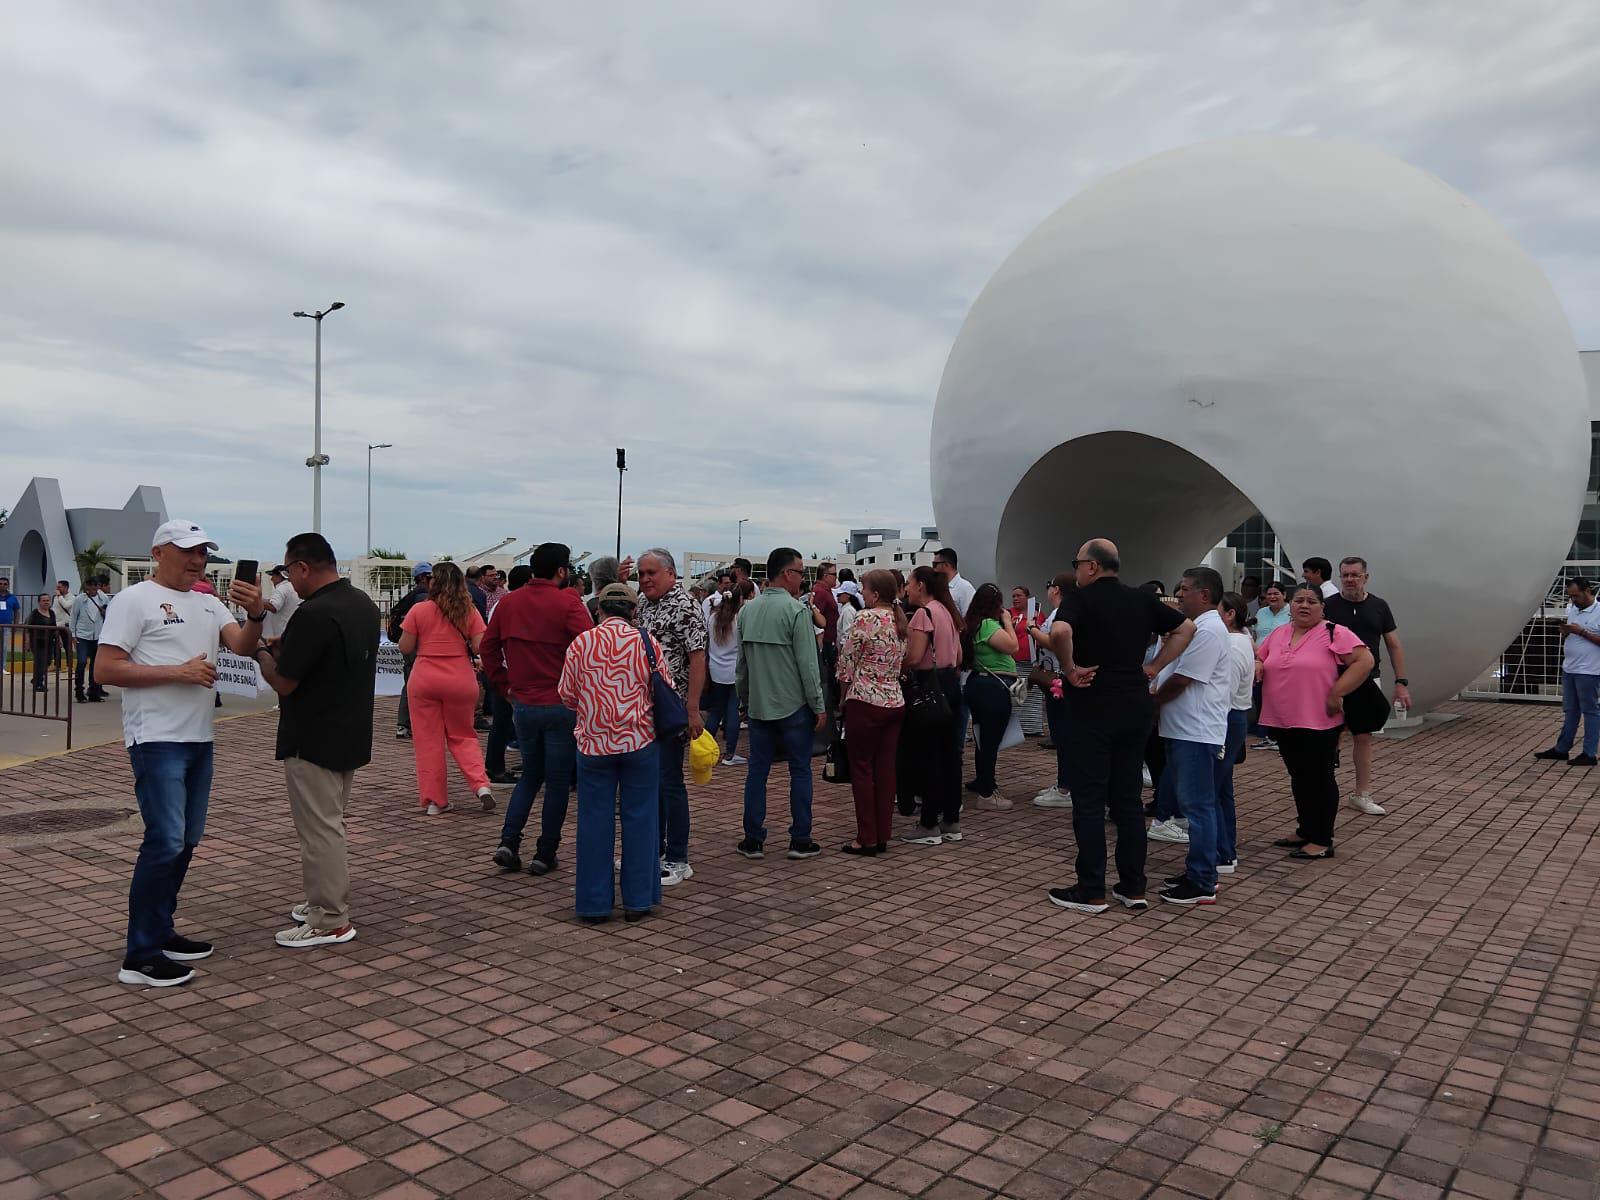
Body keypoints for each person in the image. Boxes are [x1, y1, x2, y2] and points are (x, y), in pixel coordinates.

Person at [94, 520, 266, 986]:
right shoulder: (133, 600)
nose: (197, 560)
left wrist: (255, 616)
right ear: (158, 552)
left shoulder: (209, 602)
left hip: (199, 739)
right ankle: (140, 956)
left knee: (187, 839)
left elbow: (244, 647)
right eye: (187, 551)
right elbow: (105, 669)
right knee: (165, 839)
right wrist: (179, 673)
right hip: (155, 739)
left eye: (203, 553)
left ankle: (161, 930)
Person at [1045, 539, 1195, 915]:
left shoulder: (1081, 598)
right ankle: (1133, 885)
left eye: (1077, 563)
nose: (1076, 570)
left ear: (1092, 567)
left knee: (1090, 799)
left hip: (1093, 703)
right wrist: (1155, 667)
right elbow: (1186, 628)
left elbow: (1060, 633)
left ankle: (1091, 887)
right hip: (1134, 702)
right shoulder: (1143, 599)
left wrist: (1068, 669)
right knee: (1127, 799)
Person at [250, 533, 379, 949]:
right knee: (331, 822)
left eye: (288, 572)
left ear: (302, 567)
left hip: (312, 735)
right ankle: (323, 901)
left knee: (319, 830)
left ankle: (330, 918)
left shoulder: (314, 613)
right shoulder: (360, 603)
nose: (288, 581)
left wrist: (261, 654)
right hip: (349, 730)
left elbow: (285, 681)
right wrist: (284, 649)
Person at [558, 582, 667, 923]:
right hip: (639, 741)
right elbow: (664, 687)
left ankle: (594, 903)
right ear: (634, 611)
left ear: (599, 610)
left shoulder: (581, 643)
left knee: (594, 821)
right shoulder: (647, 642)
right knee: (641, 818)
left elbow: (567, 695)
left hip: (593, 743)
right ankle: (638, 900)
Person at [483, 545, 592, 874]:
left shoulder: (508, 603)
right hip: (560, 703)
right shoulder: (568, 603)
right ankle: (545, 852)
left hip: (524, 703)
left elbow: (488, 648)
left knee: (530, 775)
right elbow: (590, 645)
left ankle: (509, 841)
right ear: (561, 571)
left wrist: (504, 687)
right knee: (558, 781)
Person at [1256, 584, 1375, 860]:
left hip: (1319, 720)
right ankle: (1305, 829)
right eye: (1299, 600)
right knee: (1299, 776)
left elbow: (1364, 660)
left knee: (1320, 778)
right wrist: (1258, 664)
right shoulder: (1279, 633)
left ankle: (1322, 839)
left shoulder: (1334, 632)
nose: (1304, 606)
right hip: (1283, 719)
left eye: (1311, 601)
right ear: (1291, 605)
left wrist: (1337, 692)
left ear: (1322, 607)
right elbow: (1260, 656)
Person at [1148, 567, 1233, 906]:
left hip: (1195, 732)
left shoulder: (1210, 630)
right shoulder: (1197, 628)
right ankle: (1199, 870)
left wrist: (1151, 703)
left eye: (1184, 590)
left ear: (1205, 595)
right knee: (1195, 805)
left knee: (1198, 807)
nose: (1179, 595)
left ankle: (1202, 880)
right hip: (1185, 729)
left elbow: (1183, 679)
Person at [736, 547, 826, 860]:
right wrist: (818, 705)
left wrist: (745, 702)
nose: (803, 579)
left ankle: (753, 839)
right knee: (800, 771)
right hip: (794, 708)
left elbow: (742, 667)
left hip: (759, 708)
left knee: (756, 773)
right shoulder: (796, 612)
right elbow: (808, 664)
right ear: (787, 573)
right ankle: (800, 839)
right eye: (801, 572)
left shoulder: (747, 611)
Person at [397, 562, 495, 815]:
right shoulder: (469, 611)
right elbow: (478, 648)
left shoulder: (420, 610)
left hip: (424, 679)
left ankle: (434, 801)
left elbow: (405, 647)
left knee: (428, 740)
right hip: (460, 679)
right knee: (463, 735)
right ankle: (481, 785)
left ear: (433, 582)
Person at [636, 548, 708, 886]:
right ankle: (654, 850)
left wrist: (692, 708)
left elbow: (697, 658)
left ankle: (678, 857)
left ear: (670, 573)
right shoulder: (646, 605)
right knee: (652, 782)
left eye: (651, 573)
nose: (646, 579)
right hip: (645, 709)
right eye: (641, 574)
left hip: (672, 709)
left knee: (670, 783)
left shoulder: (686, 608)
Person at [1323, 556, 1411, 814]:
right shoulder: (1328, 606)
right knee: (1329, 735)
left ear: (1366, 577)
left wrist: (1401, 682)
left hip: (1366, 679)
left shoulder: (1379, 606)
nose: (1350, 580)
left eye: (1355, 575)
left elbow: (1393, 644)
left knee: (1363, 736)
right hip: (1332, 679)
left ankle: (1362, 793)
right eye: (1345, 575)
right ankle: (1324, 791)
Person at [835, 569, 906, 855]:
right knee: (886, 769)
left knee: (862, 769)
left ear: (875, 594)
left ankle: (867, 837)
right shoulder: (900, 620)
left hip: (865, 699)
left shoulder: (867, 617)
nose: (861, 594)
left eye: (864, 589)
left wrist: (842, 698)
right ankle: (883, 832)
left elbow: (846, 662)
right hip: (894, 700)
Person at [899, 565, 966, 846]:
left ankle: (928, 823)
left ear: (921, 586)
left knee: (928, 756)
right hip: (950, 684)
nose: (907, 589)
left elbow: (914, 657)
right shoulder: (947, 612)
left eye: (910, 584)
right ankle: (950, 820)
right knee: (951, 755)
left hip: (929, 685)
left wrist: (897, 667)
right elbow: (959, 656)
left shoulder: (923, 615)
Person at [962, 583, 1020, 809]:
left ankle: (982, 781)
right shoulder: (987, 625)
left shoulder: (975, 624)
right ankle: (987, 792)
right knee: (990, 742)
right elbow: (1012, 646)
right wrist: (1007, 622)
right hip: (992, 688)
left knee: (982, 738)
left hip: (981, 685)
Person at [1534, 576, 1600, 767]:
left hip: (1590, 670)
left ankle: (1589, 753)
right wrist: (1566, 631)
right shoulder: (1572, 609)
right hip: (1570, 667)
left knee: (1590, 710)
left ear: (1587, 591)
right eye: (1570, 596)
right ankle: (1562, 749)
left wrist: (1582, 632)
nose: (1573, 600)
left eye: (1576, 596)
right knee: (1570, 709)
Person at [1026, 574, 1073, 808]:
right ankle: (1064, 782)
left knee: (1063, 734)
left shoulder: (1061, 613)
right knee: (1062, 733)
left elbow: (1055, 642)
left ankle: (1066, 787)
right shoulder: (1064, 611)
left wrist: (1033, 630)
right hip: (1057, 679)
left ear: (1057, 589)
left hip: (1060, 681)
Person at [482, 564, 531, 785]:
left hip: (500, 669)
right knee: (507, 722)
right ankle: (497, 767)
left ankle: (496, 766)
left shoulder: (500, 605)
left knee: (503, 722)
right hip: (512, 670)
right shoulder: (518, 605)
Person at [705, 579, 753, 766]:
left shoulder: (713, 618)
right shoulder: (738, 620)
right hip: (733, 671)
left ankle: (705, 748)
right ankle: (730, 754)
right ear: (739, 599)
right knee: (733, 711)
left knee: (716, 711)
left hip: (715, 670)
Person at [388, 563, 433, 740]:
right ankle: (407, 724)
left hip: (409, 644)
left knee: (410, 683)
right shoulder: (422, 597)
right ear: (422, 578)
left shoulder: (411, 595)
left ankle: (405, 724)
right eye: (430, 577)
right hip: (417, 646)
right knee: (414, 684)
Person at [1249, 581, 1291, 748]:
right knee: (1260, 695)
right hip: (1261, 660)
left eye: (1276, 594)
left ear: (1284, 595)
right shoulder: (1261, 612)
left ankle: (1279, 735)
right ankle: (1266, 734)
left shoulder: (1290, 612)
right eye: (1269, 594)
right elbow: (1254, 633)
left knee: (1279, 696)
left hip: (1281, 661)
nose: (1272, 597)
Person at [71, 577, 108, 702]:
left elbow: (108, 616)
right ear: (86, 586)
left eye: (95, 585)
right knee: (81, 662)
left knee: (95, 664)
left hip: (98, 635)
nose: (92, 588)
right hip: (82, 635)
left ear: (98, 586)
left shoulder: (104, 598)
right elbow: (73, 616)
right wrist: (73, 634)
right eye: (90, 585)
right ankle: (79, 691)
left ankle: (94, 691)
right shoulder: (80, 600)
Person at [811, 562, 841, 708]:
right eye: (834, 574)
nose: (836, 577)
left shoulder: (825, 591)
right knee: (827, 675)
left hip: (830, 639)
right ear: (825, 576)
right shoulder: (821, 592)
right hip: (826, 641)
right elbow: (816, 618)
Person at [261, 565, 302, 643]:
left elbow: (273, 606)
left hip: (281, 635)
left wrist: (255, 600)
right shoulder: (294, 587)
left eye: (273, 575)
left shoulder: (282, 588)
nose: (271, 579)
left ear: (280, 575)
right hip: (293, 633)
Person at [26, 592, 55, 692]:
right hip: (37, 641)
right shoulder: (34, 613)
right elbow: (28, 628)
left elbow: (54, 627)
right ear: (39, 602)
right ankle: (38, 684)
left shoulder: (52, 613)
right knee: (40, 662)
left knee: (47, 661)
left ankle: (36, 679)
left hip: (49, 641)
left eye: (47, 600)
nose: (46, 602)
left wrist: (58, 639)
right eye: (44, 601)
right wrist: (27, 642)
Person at [51, 581, 74, 670]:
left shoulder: (72, 597)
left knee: (67, 646)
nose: (57, 589)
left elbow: (66, 605)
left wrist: (60, 596)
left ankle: (69, 665)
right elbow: (54, 609)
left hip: (66, 625)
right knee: (56, 646)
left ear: (66, 587)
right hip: (56, 624)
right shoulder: (56, 598)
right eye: (57, 587)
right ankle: (57, 665)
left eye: (59, 587)